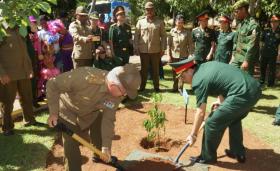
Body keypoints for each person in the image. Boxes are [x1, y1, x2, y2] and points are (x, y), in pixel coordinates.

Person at [46, 64, 141, 171]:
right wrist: (53, 113)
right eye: (124, 92)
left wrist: (106, 148)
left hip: (91, 111)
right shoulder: (84, 77)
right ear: (114, 84)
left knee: (99, 125)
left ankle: (99, 155)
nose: (124, 95)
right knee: (71, 147)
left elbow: (108, 119)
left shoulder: (117, 95)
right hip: (68, 111)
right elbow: (52, 84)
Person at [169, 56, 261, 164]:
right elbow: (222, 83)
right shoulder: (205, 67)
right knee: (233, 119)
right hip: (254, 89)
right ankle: (237, 152)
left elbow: (201, 112)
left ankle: (207, 157)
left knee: (211, 123)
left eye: (183, 77)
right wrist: (221, 101)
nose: (184, 81)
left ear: (189, 70)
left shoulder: (198, 80)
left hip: (241, 93)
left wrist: (193, 135)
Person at [0, 28, 43, 136]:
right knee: (8, 102)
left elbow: (24, 52)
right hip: (9, 74)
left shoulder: (20, 29)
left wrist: (29, 69)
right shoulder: (1, 29)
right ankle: (7, 127)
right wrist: (2, 73)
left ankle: (29, 120)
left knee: (27, 97)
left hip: (23, 72)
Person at [134, 1, 167, 92]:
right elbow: (136, 36)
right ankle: (142, 87)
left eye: (151, 10)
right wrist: (136, 47)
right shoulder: (140, 22)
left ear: (154, 10)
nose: (149, 11)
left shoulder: (160, 22)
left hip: (156, 50)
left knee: (155, 70)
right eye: (147, 10)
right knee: (144, 70)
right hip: (143, 50)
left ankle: (156, 87)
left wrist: (163, 48)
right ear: (145, 11)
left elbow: (164, 36)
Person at [231, 0, 260, 75]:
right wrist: (233, 55)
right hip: (237, 58)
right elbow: (236, 41)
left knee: (245, 83)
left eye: (237, 11)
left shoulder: (253, 25)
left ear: (243, 10)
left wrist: (247, 61)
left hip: (245, 60)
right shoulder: (241, 24)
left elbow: (253, 45)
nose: (235, 14)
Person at [168, 14, 193, 92]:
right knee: (174, 72)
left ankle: (180, 88)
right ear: (175, 22)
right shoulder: (172, 31)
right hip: (174, 56)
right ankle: (174, 87)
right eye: (178, 22)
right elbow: (169, 45)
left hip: (183, 56)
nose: (180, 23)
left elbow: (191, 45)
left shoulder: (187, 32)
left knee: (182, 73)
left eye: (182, 22)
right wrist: (169, 55)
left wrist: (190, 54)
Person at [259, 15, 280, 87]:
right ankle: (261, 81)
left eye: (276, 21)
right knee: (262, 67)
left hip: (273, 53)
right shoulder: (266, 30)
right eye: (272, 21)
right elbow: (261, 42)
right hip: (264, 52)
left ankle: (270, 83)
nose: (273, 23)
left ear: (278, 22)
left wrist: (279, 55)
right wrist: (260, 52)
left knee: (271, 69)